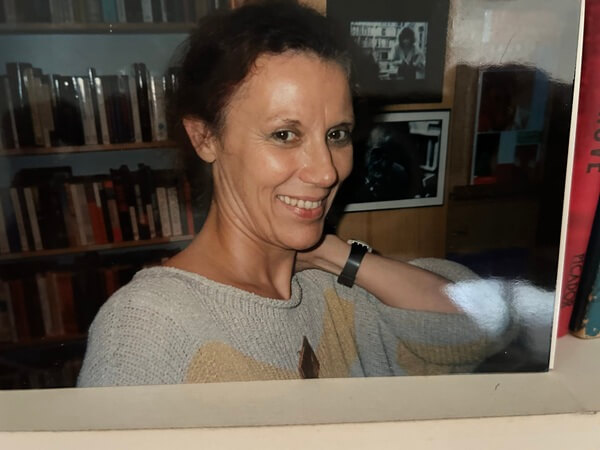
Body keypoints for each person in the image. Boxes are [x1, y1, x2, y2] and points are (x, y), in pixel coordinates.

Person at [77, 2, 553, 387]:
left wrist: (333, 254)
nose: (326, 172)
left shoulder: (332, 290)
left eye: (337, 134)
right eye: (285, 135)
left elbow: (482, 325)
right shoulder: (147, 327)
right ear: (205, 138)